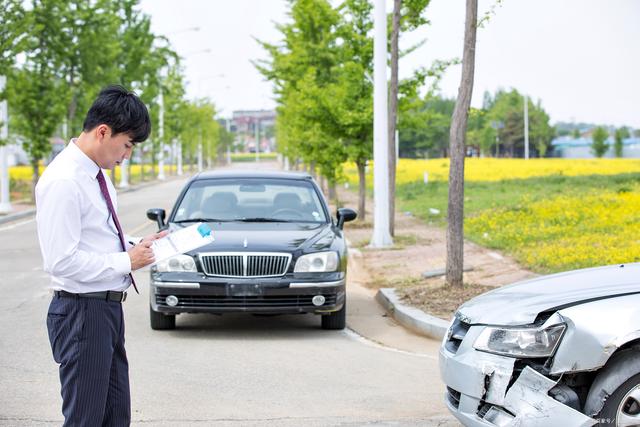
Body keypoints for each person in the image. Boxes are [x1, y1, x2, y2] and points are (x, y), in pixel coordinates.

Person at [36, 85, 166, 426]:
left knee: (114, 416)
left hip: (106, 309)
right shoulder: (64, 180)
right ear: (103, 131)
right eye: (127, 145)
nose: (127, 155)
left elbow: (96, 239)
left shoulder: (97, 176)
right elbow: (61, 261)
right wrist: (127, 262)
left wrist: (138, 245)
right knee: (86, 418)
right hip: (81, 312)